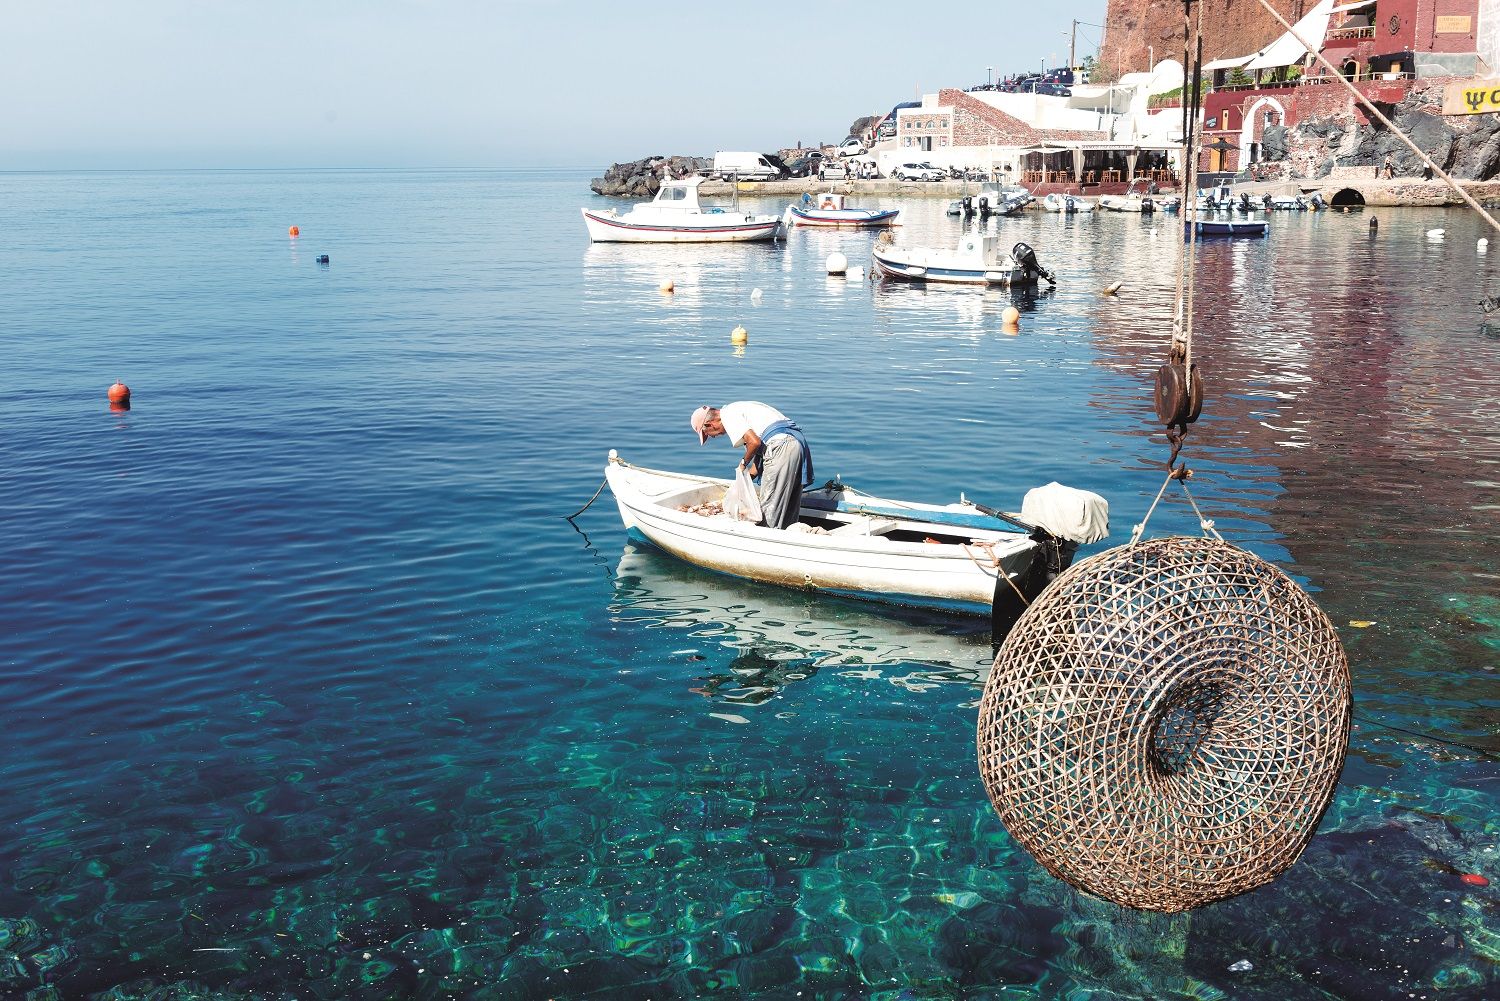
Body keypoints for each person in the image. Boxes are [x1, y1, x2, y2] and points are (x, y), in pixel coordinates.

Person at [689, 402, 813, 530]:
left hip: (780, 446)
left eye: (709, 434)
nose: (713, 437)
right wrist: (741, 484)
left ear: (709, 424)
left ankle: (765, 539)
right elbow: (758, 462)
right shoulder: (740, 409)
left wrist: (743, 463)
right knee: (788, 502)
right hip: (795, 443)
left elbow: (754, 442)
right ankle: (788, 535)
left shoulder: (728, 415)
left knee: (770, 506)